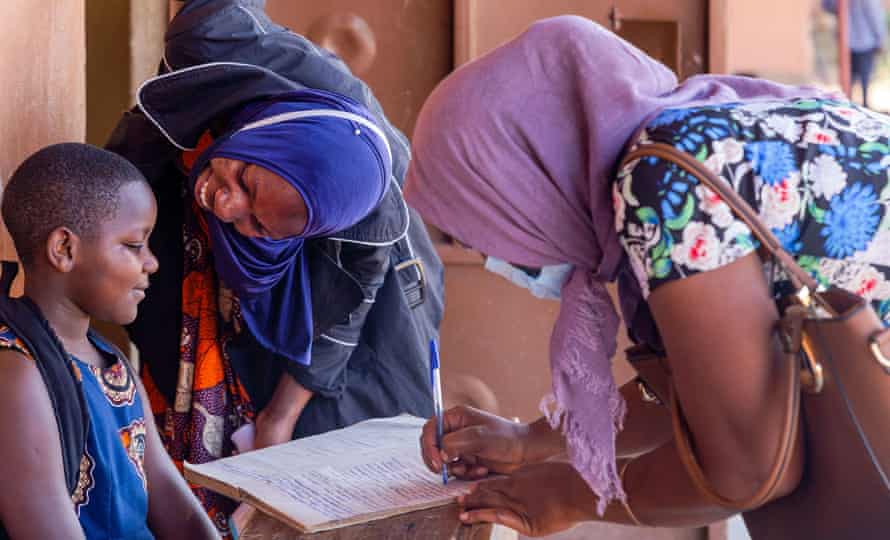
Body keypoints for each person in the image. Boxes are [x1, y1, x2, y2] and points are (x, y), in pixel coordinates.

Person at [407, 16, 890, 536]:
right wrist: (530, 441)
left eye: (484, 223)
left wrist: (570, 495)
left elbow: (750, 467)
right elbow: (717, 390)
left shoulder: (663, 182)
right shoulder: (712, 129)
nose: (488, 255)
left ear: (527, 180)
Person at [105, 0, 443, 531]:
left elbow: (346, 310)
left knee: (326, 461)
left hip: (342, 303)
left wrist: (279, 419)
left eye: (260, 227)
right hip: (209, 242)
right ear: (265, 131)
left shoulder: (360, 207)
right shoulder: (216, 44)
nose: (228, 205)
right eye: (245, 179)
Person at [0, 143, 219, 539]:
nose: (151, 262)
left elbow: (169, 495)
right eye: (135, 245)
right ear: (64, 249)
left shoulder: (109, 360)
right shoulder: (17, 374)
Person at [823, 0, 887, 108]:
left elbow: (827, 6)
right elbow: (875, 17)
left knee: (851, 78)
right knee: (864, 78)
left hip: (847, 42)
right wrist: (880, 39)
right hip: (864, 41)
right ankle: (861, 105)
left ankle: (850, 104)